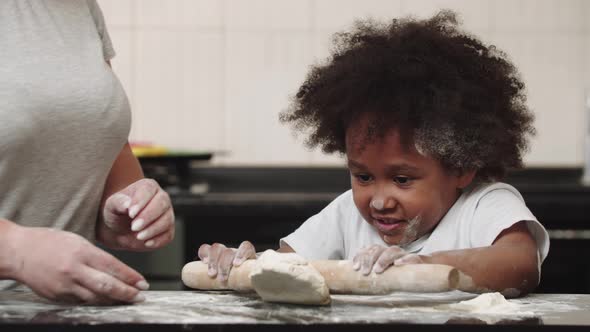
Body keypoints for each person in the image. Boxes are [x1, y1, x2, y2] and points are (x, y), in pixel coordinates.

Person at [197, 10, 549, 296]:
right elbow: (284, 268)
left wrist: (425, 265)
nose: (379, 201)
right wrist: (242, 264)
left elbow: (520, 263)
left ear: (461, 167)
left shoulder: (483, 206)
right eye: (363, 176)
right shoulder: (346, 214)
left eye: (401, 179)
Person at [0, 0, 175, 304]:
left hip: (55, 315)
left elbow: (103, 158)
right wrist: (16, 249)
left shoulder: (80, 8)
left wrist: (126, 209)